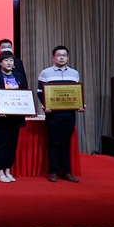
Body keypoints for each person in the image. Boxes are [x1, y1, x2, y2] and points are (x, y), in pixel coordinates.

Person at [37, 45, 84, 183]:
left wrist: (80, 104)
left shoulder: (74, 73)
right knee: (53, 142)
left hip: (69, 114)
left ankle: (66, 172)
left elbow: (76, 92)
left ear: (68, 57)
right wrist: (46, 105)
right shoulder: (45, 73)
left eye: (64, 55)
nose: (61, 57)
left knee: (65, 143)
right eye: (58, 55)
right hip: (53, 115)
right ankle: (53, 172)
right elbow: (40, 92)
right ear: (53, 57)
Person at [0, 51, 29, 183]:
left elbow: (25, 94)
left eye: (11, 60)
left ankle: (8, 170)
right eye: (6, 60)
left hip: (15, 117)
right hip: (0, 117)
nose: (9, 63)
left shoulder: (19, 76)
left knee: (12, 144)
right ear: (0, 63)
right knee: (1, 144)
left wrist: (28, 108)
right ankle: (0, 172)